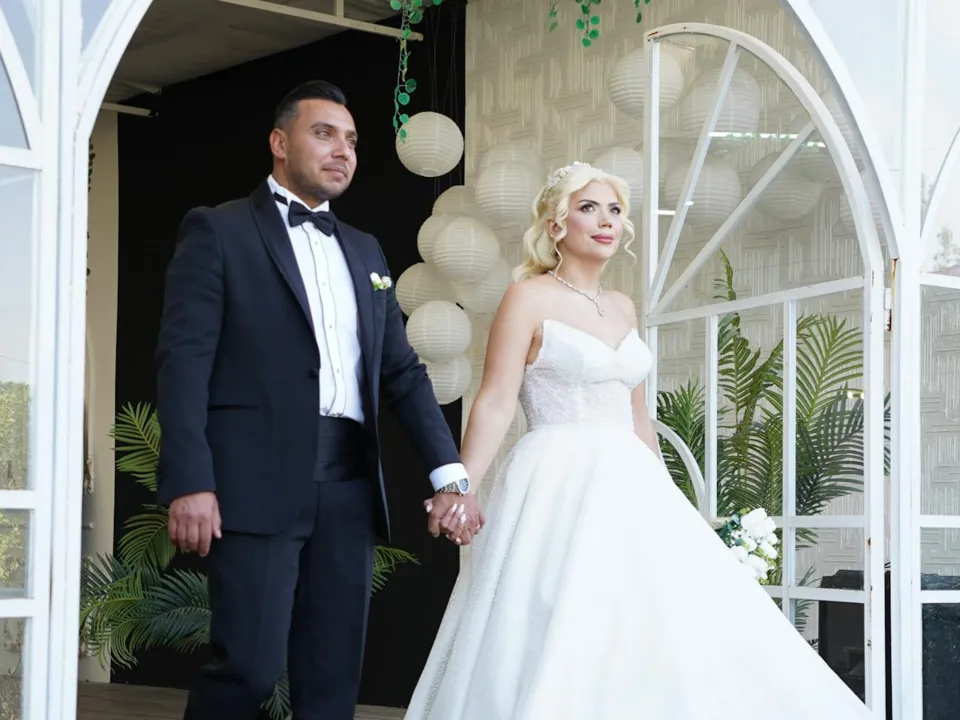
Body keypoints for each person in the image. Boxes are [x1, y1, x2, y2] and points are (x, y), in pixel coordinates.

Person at [403, 162, 873, 719]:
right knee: (564, 613)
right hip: (557, 478)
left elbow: (637, 416)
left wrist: (670, 497)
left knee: (654, 614)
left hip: (630, 479)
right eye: (588, 208)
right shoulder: (526, 298)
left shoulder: (623, 307)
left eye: (615, 210)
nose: (606, 221)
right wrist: (462, 487)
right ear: (556, 225)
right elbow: (496, 400)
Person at [154, 79, 482, 720]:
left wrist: (451, 476)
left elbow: (402, 372)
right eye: (324, 134)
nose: (343, 151)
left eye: (352, 141)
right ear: (279, 143)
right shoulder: (218, 230)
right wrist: (190, 480)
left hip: (349, 487)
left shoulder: (365, 249)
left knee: (332, 680)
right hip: (254, 484)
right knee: (247, 669)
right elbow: (183, 363)